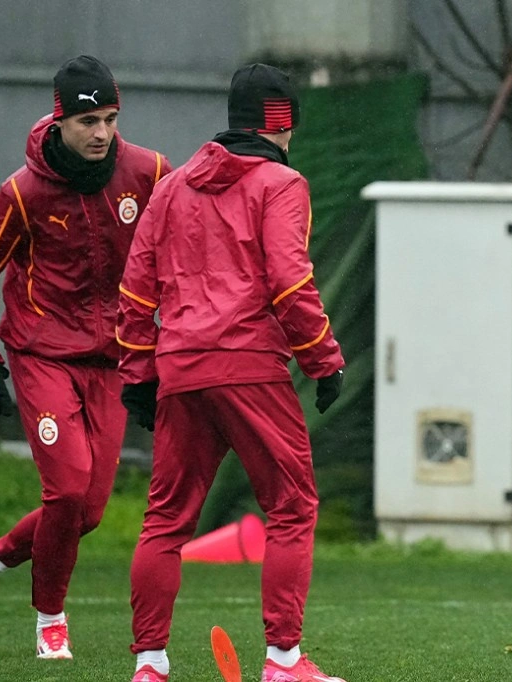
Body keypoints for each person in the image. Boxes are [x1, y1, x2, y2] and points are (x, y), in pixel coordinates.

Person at [117, 64, 346, 682]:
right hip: (249, 368)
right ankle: (283, 661)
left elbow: (135, 289)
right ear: (282, 122)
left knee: (165, 520)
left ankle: (149, 665)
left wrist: (137, 374)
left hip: (179, 367)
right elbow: (289, 281)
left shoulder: (171, 187)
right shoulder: (282, 183)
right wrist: (323, 359)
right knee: (291, 507)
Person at [0, 55, 171, 659]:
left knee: (88, 511)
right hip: (42, 354)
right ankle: (49, 618)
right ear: (59, 121)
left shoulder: (149, 172)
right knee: (67, 490)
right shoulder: (22, 193)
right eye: (88, 121)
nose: (101, 133)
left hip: (112, 361)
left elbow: (187, 238)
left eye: (110, 119)